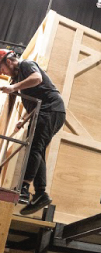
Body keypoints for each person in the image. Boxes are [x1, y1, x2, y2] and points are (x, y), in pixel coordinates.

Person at [0, 49, 65, 214]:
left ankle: (23, 188)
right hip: (46, 110)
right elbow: (37, 101)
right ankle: (41, 194)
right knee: (39, 148)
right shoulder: (19, 76)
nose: (2, 73)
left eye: (1, 69)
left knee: (35, 146)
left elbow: (37, 79)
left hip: (51, 109)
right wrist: (24, 119)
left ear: (8, 61)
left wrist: (13, 87)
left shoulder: (26, 65)